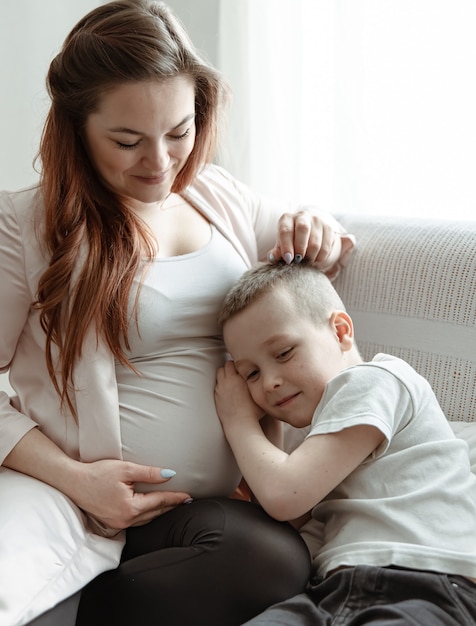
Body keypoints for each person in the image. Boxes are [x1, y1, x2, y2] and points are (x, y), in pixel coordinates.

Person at [0, 2, 357, 625]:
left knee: (271, 560)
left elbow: (313, 243)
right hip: (74, 497)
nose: (160, 163)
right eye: (127, 141)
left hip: (200, 512)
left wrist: (317, 225)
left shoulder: (219, 196)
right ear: (76, 128)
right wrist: (77, 480)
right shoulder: (26, 226)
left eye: (179, 131)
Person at [214, 261, 476, 626]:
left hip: (426, 582)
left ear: (340, 331)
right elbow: (287, 520)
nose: (269, 382)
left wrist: (238, 421)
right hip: (332, 592)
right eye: (251, 374)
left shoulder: (376, 380)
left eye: (284, 352)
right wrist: (267, 424)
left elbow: (283, 496)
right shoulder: (312, 442)